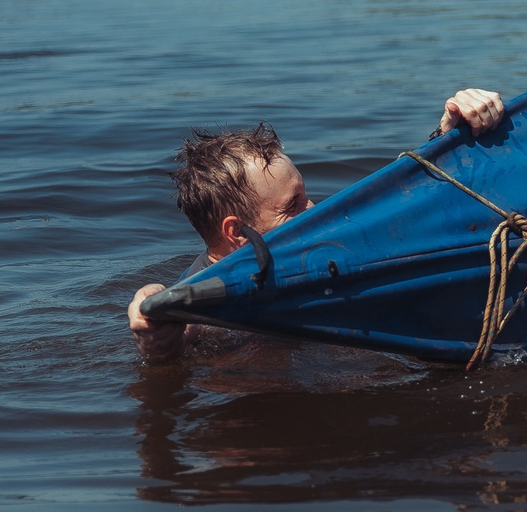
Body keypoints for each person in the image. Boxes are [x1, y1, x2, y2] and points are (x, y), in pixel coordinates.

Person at [127, 89, 503, 360]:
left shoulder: (322, 250)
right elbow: (180, 328)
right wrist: (159, 319)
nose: (314, 211)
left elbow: (405, 212)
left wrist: (451, 138)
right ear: (236, 233)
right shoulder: (206, 308)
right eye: (292, 206)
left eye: (305, 194)